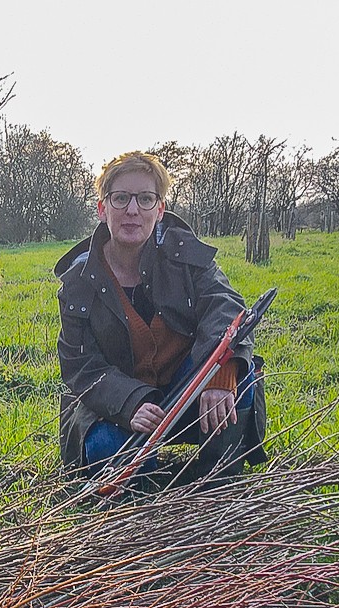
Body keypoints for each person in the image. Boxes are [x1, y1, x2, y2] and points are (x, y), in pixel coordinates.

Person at [55, 151, 266, 488]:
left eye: (145, 198)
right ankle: (148, 495)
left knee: (241, 380)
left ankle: (215, 485)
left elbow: (225, 307)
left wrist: (221, 372)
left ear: (160, 209)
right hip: (117, 404)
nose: (132, 210)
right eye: (120, 198)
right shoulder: (78, 279)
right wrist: (131, 403)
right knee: (110, 453)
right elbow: (80, 365)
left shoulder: (186, 254)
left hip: (187, 388)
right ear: (102, 209)